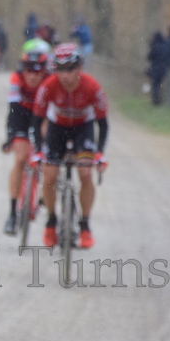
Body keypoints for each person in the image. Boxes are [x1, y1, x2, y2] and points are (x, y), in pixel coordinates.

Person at [31, 42, 108, 249]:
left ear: (79, 68)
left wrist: (99, 153)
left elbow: (103, 124)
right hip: (58, 128)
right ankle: (51, 221)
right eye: (60, 70)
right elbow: (37, 121)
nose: (64, 75)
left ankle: (84, 225)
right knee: (49, 174)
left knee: (85, 173)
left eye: (70, 70)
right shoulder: (48, 85)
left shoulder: (92, 87)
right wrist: (38, 150)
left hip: (83, 128)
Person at [2, 49, 50, 235]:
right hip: (22, 115)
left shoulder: (50, 81)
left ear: (44, 71)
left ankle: (47, 191)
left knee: (48, 158)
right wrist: (10, 137)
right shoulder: (17, 79)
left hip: (44, 116)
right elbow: (12, 110)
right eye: (28, 70)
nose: (32, 75)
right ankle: (12, 213)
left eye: (37, 71)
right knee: (20, 158)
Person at [145, 31, 169, 105]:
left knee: (155, 84)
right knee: (160, 84)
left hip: (155, 68)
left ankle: (155, 100)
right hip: (163, 69)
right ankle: (160, 99)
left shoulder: (155, 46)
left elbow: (149, 57)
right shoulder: (165, 46)